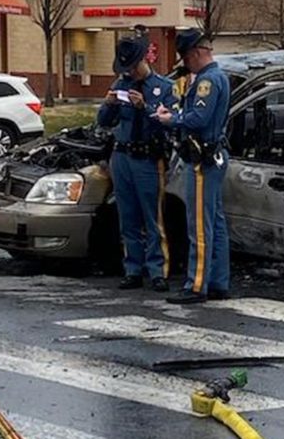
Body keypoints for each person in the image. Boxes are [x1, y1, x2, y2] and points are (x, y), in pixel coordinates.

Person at [156, 29, 230, 303]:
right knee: (216, 220)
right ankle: (218, 281)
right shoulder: (219, 76)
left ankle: (196, 284)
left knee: (199, 224)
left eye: (187, 59)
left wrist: (170, 119)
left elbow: (197, 118)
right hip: (214, 154)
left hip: (202, 158)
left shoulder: (207, 81)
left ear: (197, 53)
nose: (186, 65)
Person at [97, 35, 175, 288]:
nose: (129, 72)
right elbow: (104, 121)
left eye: (132, 66)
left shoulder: (163, 87)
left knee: (152, 217)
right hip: (122, 155)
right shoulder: (121, 83)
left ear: (142, 60)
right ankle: (132, 268)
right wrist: (108, 105)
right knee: (127, 215)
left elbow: (169, 124)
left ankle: (157, 271)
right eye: (125, 68)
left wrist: (145, 107)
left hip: (148, 157)